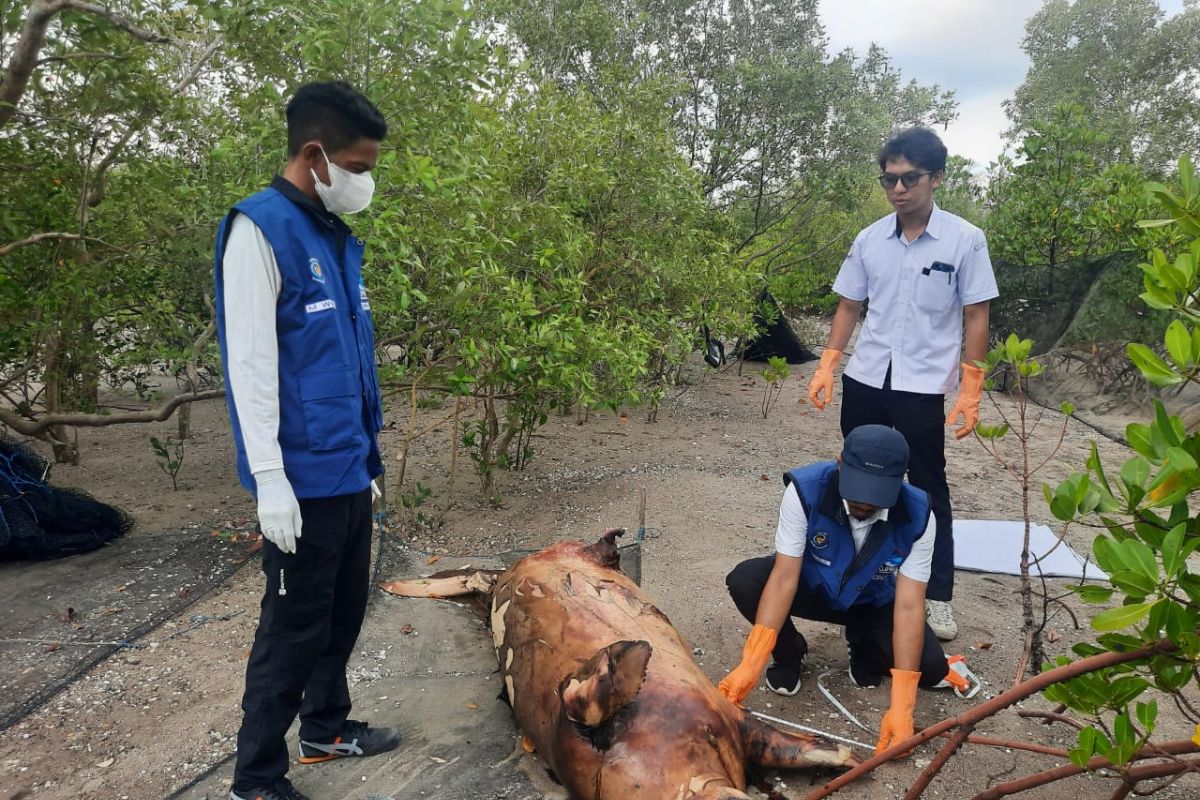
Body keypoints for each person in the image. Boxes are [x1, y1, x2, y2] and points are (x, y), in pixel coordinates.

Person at [213, 81, 398, 800]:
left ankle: (325, 727)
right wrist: (270, 479)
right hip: (300, 481)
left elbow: (343, 360)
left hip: (348, 467)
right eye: (358, 165)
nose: (366, 180)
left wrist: (366, 459)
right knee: (290, 630)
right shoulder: (259, 230)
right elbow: (252, 364)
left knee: (343, 613)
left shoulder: (332, 235)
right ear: (315, 155)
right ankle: (256, 778)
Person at [806, 127, 998, 642]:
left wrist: (971, 386)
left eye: (909, 178)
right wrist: (828, 362)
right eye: (890, 179)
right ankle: (854, 577)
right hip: (867, 376)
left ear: (935, 178)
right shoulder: (870, 239)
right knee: (858, 479)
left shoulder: (964, 240)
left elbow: (976, 313)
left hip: (922, 384)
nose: (898, 189)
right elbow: (850, 304)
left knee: (928, 487)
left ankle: (935, 595)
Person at [719, 426, 972, 754]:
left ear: (901, 479)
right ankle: (789, 652)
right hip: (811, 587)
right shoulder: (806, 490)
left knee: (931, 668)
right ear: (839, 464)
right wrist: (750, 663)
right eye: (858, 489)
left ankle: (862, 643)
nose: (865, 502)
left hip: (871, 600)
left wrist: (902, 707)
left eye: (877, 492)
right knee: (746, 580)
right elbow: (784, 577)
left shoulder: (919, 515)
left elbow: (909, 606)